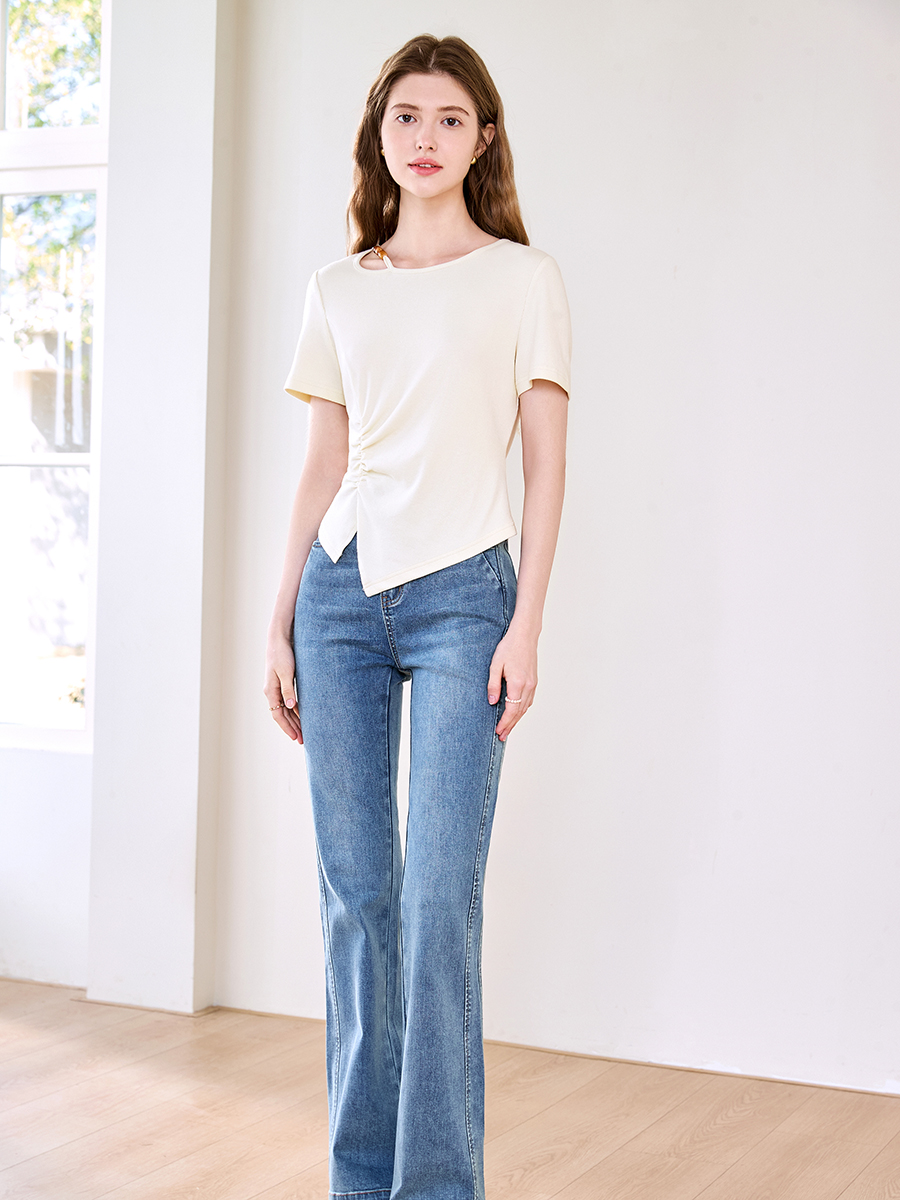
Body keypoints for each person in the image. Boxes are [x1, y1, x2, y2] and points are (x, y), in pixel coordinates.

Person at [265, 33, 571, 1200]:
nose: (426, 136)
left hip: (464, 604)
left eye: (450, 118)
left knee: (440, 905)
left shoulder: (524, 278)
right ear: (379, 134)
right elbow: (320, 465)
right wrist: (277, 619)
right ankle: (360, 1181)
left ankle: (436, 1187)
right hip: (339, 597)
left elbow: (546, 466)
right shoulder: (338, 287)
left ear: (483, 138)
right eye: (406, 116)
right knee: (358, 903)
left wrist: (525, 623)